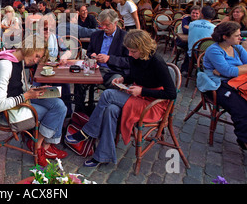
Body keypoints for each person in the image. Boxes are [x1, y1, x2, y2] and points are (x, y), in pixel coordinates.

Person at [65, 29, 176, 167]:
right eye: (128, 51)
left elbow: (172, 94)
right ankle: (102, 156)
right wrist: (124, 78)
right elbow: (136, 74)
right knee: (110, 109)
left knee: (108, 94)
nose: (129, 54)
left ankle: (88, 131)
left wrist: (142, 90)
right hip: (139, 97)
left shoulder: (157, 62)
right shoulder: (135, 57)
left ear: (143, 48)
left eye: (132, 51)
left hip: (152, 104)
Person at [0, 35, 68, 166]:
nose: (36, 60)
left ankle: (45, 145)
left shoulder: (16, 59)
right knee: (56, 110)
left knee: (59, 104)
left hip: (21, 100)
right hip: (11, 112)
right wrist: (26, 96)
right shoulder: (5, 65)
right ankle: (40, 146)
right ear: (30, 48)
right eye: (37, 56)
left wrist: (36, 91)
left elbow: (18, 87)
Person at [200, 21, 247, 151]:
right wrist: (234, 70)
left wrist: (231, 69)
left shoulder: (238, 48)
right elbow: (228, 72)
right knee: (242, 109)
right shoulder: (214, 50)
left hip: (238, 83)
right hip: (217, 86)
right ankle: (245, 140)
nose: (241, 38)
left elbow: (230, 70)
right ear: (225, 37)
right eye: (237, 35)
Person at [73, 9, 130, 114]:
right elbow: (89, 52)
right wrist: (92, 56)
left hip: (113, 71)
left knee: (116, 85)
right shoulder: (96, 35)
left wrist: (109, 58)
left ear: (115, 23)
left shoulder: (125, 37)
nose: (104, 28)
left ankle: (109, 113)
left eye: (107, 25)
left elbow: (129, 61)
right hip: (95, 69)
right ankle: (80, 112)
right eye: (101, 25)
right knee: (78, 81)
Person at [179, 5, 201, 73]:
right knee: (190, 48)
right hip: (183, 40)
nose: (194, 15)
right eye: (193, 13)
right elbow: (185, 31)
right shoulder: (186, 19)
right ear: (190, 13)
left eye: (197, 13)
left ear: (200, 14)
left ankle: (192, 66)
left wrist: (190, 28)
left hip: (197, 41)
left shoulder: (201, 21)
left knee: (195, 48)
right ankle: (186, 68)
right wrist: (197, 29)